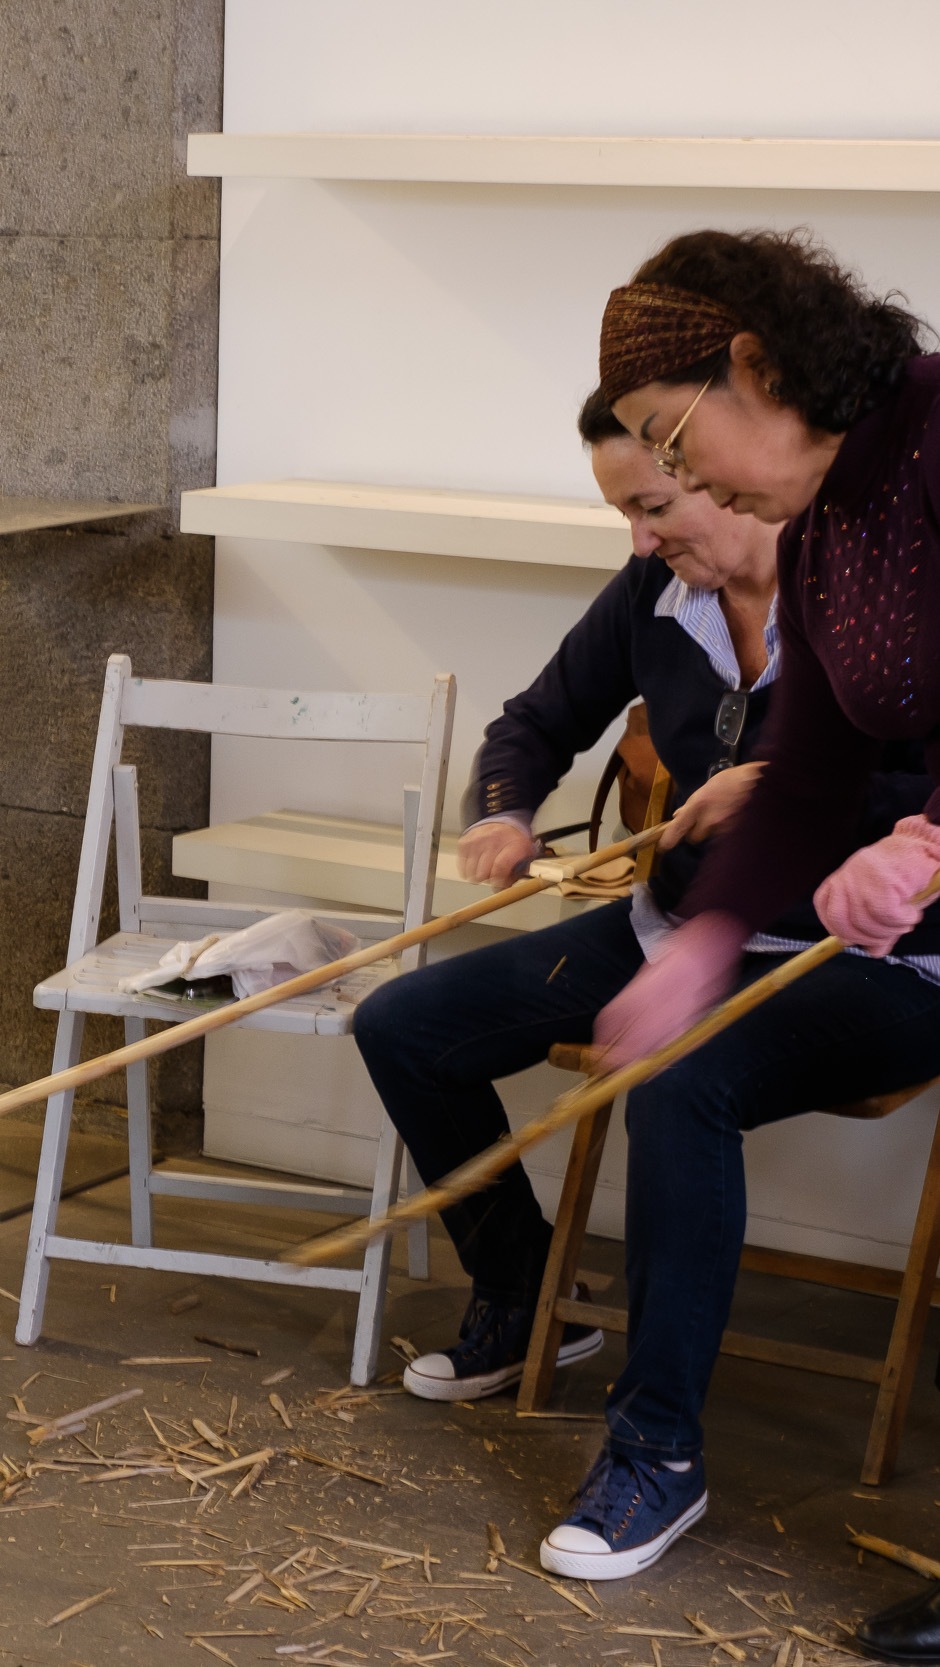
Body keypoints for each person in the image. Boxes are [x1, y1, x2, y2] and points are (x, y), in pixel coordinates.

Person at [352, 382, 940, 1583]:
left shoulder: (875, 591)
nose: (641, 536)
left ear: (730, 470)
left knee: (680, 1084)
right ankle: (524, 1299)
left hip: (872, 963)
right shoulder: (651, 595)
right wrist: (506, 812)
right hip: (675, 930)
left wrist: (776, 787)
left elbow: (901, 792)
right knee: (405, 1020)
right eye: (624, 511)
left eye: (655, 504)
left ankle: (655, 1451)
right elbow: (533, 720)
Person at [588, 232, 940, 1659]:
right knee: (693, 1065)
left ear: (759, 365)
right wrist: (706, 936)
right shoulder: (834, 515)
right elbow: (805, 771)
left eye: (679, 439)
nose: (696, 484)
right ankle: (652, 1450)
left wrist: (925, 842)